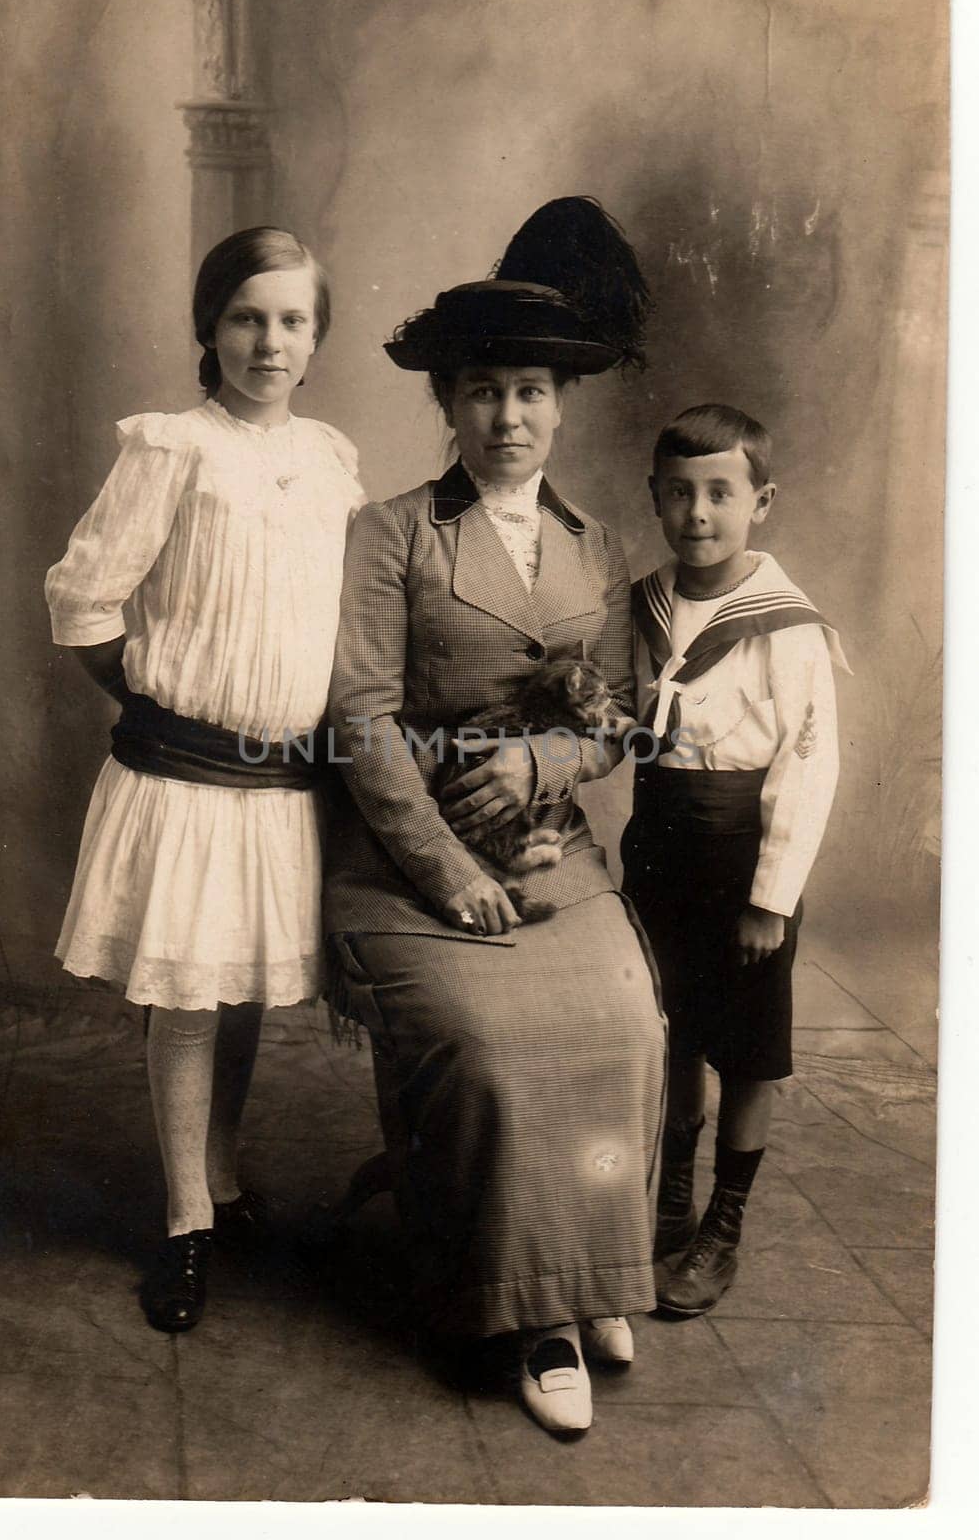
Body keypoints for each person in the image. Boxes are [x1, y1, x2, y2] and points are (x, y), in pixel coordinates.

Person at [325, 198, 666, 1435]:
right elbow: (358, 718)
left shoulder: (596, 546)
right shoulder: (391, 536)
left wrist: (536, 773)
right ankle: (534, 1318)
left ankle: (590, 1273)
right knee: (488, 1047)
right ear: (447, 406)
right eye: (481, 393)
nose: (507, 418)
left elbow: (618, 716)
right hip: (406, 868)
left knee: (626, 1021)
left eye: (529, 392)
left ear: (561, 405)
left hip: (549, 853)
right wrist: (440, 872)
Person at [44, 226, 364, 1332]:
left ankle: (222, 1179)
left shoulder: (330, 458)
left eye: (290, 321)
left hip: (282, 785)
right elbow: (85, 599)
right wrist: (155, 708)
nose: (267, 341)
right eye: (245, 317)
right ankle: (185, 1221)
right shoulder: (172, 446)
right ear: (208, 326)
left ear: (316, 339)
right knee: (186, 994)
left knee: (240, 989)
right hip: (183, 775)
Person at [622, 403, 850, 1318]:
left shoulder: (783, 623)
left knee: (747, 1047)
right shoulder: (646, 602)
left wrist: (770, 900)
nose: (698, 514)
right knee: (672, 1024)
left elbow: (807, 757)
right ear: (655, 499)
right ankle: (672, 1186)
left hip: (744, 852)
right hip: (662, 841)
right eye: (679, 494)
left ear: (763, 500)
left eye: (721, 493)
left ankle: (725, 1218)